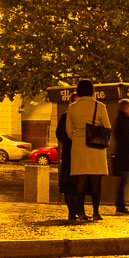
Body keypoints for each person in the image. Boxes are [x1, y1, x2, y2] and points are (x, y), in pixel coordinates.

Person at [67, 80, 111, 221]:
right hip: (95, 146)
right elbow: (108, 126)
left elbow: (68, 131)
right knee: (96, 180)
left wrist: (78, 136)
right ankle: (96, 212)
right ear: (93, 91)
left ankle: (81, 212)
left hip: (79, 145)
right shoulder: (100, 106)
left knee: (81, 179)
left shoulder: (72, 108)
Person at [56, 93, 79, 222]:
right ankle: (72, 211)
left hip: (77, 152)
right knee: (69, 183)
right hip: (69, 153)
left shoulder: (79, 116)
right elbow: (60, 133)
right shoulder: (65, 116)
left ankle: (76, 210)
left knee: (77, 183)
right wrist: (70, 142)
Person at [112, 98, 129, 215]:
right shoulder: (124, 121)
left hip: (123, 156)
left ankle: (120, 205)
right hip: (125, 157)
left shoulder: (121, 120)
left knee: (123, 182)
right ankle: (120, 206)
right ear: (126, 108)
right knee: (123, 182)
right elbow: (128, 139)